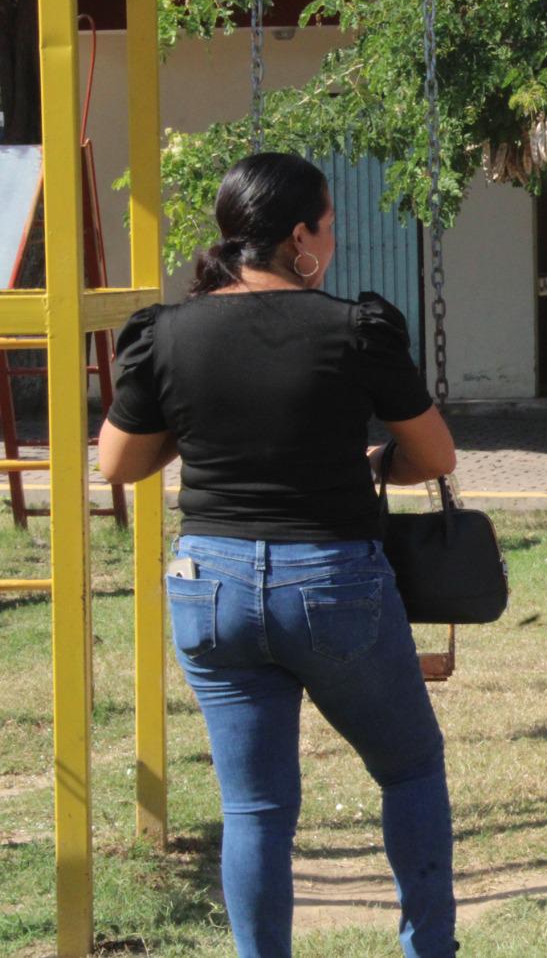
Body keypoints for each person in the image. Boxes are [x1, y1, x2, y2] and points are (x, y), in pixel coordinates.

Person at [98, 152, 459, 958]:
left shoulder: (166, 333)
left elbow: (117, 464)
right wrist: (376, 462)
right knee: (408, 768)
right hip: (330, 580)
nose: (331, 241)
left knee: (254, 809)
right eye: (328, 226)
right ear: (300, 238)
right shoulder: (356, 328)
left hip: (210, 585)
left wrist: (199, 432)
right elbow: (435, 456)